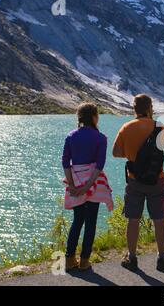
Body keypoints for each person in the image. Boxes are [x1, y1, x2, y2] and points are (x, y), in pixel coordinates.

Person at [113, 94, 164, 272]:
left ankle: (132, 258)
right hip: (156, 180)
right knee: (159, 219)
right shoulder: (160, 127)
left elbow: (115, 152)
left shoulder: (126, 127)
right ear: (150, 108)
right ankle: (161, 257)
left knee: (133, 220)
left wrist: (133, 154)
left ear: (134, 109)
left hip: (134, 181)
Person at [62, 103, 113, 271]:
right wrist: (88, 186)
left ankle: (69, 259)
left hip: (75, 181)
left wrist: (72, 185)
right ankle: (84, 261)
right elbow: (100, 165)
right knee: (91, 222)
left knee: (77, 221)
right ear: (94, 117)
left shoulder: (70, 136)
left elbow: (66, 163)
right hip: (94, 183)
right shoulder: (101, 138)